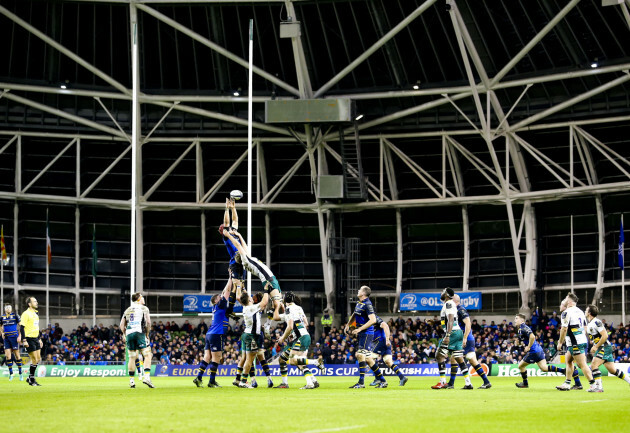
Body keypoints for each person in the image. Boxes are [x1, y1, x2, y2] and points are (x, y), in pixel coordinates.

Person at [223, 229, 283, 318]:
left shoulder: (246, 259)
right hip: (269, 278)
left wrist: (238, 235)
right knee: (278, 305)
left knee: (279, 305)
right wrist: (229, 235)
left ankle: (283, 317)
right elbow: (238, 245)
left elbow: (242, 245)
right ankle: (283, 317)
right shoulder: (246, 260)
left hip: (270, 278)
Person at [276, 292, 324, 389]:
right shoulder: (298, 308)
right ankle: (312, 381)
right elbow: (306, 323)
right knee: (297, 361)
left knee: (294, 361)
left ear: (285, 301)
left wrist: (283, 338)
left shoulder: (289, 309)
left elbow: (289, 326)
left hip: (300, 337)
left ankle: (315, 362)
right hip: (304, 336)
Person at [513, 313, 575, 388]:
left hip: (533, 351)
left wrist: (528, 347)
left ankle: (525, 383)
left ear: (522, 320)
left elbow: (532, 337)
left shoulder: (523, 327)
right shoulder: (520, 329)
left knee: (521, 366)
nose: (515, 320)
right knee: (544, 368)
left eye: (516, 318)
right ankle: (563, 370)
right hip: (538, 350)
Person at [193, 276, 233, 388]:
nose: (221, 296)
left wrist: (228, 280)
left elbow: (224, 291)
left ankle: (199, 377)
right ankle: (211, 381)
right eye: (219, 297)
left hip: (209, 334)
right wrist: (230, 277)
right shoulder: (220, 304)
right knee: (217, 358)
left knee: (207, 357)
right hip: (216, 334)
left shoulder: (215, 307)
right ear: (216, 300)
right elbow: (228, 290)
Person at [344, 285, 386, 389]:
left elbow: (373, 320)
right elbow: (355, 313)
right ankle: (383, 381)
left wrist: (360, 329)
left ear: (363, 293)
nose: (358, 290)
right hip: (362, 333)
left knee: (359, 355)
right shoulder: (359, 303)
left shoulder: (368, 304)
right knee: (367, 358)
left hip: (367, 333)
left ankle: (361, 382)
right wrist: (348, 324)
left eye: (360, 290)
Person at [431, 288, 472, 390]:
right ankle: (468, 383)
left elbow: (450, 318)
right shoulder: (451, 304)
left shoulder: (448, 303)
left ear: (446, 295)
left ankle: (442, 382)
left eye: (443, 292)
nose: (441, 293)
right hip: (458, 332)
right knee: (459, 358)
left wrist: (448, 335)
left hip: (452, 333)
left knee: (439, 356)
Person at [448, 294, 491, 389]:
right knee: (472, 360)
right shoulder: (455, 310)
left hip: (465, 339)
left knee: (454, 358)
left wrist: (464, 338)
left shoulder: (461, 310)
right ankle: (486, 382)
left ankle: (452, 383)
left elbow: (468, 323)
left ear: (454, 301)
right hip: (469, 339)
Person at [556, 293, 596, 392]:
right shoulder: (580, 312)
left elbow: (564, 329)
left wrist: (560, 342)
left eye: (565, 298)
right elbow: (585, 327)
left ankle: (594, 385)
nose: (564, 300)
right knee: (568, 361)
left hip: (575, 343)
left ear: (569, 301)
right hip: (580, 340)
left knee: (582, 364)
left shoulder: (566, 312)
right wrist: (581, 336)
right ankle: (567, 383)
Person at [585, 304, 630, 391]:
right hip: (604, 347)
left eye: (586, 310)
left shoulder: (596, 322)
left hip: (604, 347)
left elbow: (605, 335)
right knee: (612, 371)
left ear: (589, 313)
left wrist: (596, 346)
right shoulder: (591, 323)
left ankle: (598, 388)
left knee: (594, 365)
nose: (585, 311)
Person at [120, 293, 154, 389]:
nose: (143, 299)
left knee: (132, 358)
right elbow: (148, 322)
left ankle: (131, 381)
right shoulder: (144, 308)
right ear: (139, 299)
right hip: (139, 332)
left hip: (129, 333)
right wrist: (147, 334)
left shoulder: (127, 310)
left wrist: (124, 334)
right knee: (147, 355)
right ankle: (146, 377)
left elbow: (121, 325)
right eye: (142, 297)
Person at [237, 291, 269, 388]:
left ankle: (243, 380)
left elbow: (240, 298)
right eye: (250, 297)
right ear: (249, 300)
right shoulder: (251, 308)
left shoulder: (246, 307)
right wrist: (267, 290)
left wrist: (241, 288)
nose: (252, 297)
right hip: (251, 336)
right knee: (249, 360)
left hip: (247, 334)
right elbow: (264, 302)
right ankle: (243, 381)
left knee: (248, 359)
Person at [218, 198, 244, 317]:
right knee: (236, 286)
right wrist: (227, 208)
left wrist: (233, 208)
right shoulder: (227, 236)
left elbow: (235, 220)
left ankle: (230, 309)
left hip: (242, 262)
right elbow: (226, 223)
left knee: (238, 286)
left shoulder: (233, 232)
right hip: (235, 263)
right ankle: (230, 310)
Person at [369, 316, 408, 387]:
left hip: (381, 342)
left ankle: (378, 379)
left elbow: (385, 326)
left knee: (369, 358)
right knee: (389, 362)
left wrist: (387, 339)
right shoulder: (369, 321)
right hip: (384, 343)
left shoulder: (375, 318)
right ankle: (402, 377)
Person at [20, 297, 42, 386]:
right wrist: (24, 340)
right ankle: (31, 379)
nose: (36, 303)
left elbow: (36, 327)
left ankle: (30, 377)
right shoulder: (26, 314)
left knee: (38, 359)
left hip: (36, 338)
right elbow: (22, 327)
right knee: (34, 359)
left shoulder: (36, 313)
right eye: (34, 301)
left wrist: (39, 338)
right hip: (29, 339)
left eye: (36, 301)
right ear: (29, 304)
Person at [1, 303, 24, 381]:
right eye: (6, 308)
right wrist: (2, 332)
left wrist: (20, 336)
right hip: (6, 338)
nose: (8, 309)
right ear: (5, 309)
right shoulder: (2, 317)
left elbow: (21, 326)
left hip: (14, 337)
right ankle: (11, 374)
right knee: (8, 356)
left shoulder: (15, 316)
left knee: (17, 355)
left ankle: (20, 373)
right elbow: (0, 326)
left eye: (9, 307)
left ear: (11, 309)